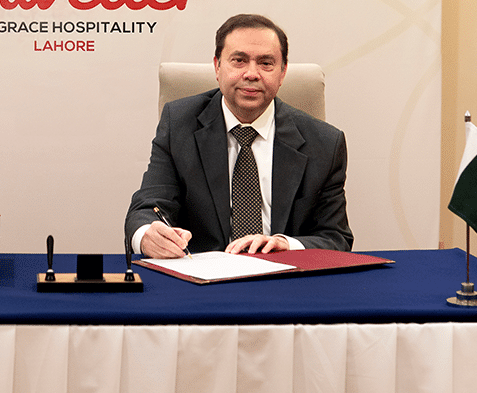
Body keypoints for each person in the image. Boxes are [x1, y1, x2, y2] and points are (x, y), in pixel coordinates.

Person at [125, 14, 352, 258]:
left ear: (283, 72)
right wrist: (147, 235)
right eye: (239, 61)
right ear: (217, 67)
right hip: (202, 274)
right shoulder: (179, 125)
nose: (252, 73)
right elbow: (148, 208)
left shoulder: (325, 143)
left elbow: (336, 238)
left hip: (284, 274)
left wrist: (286, 245)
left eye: (266, 63)